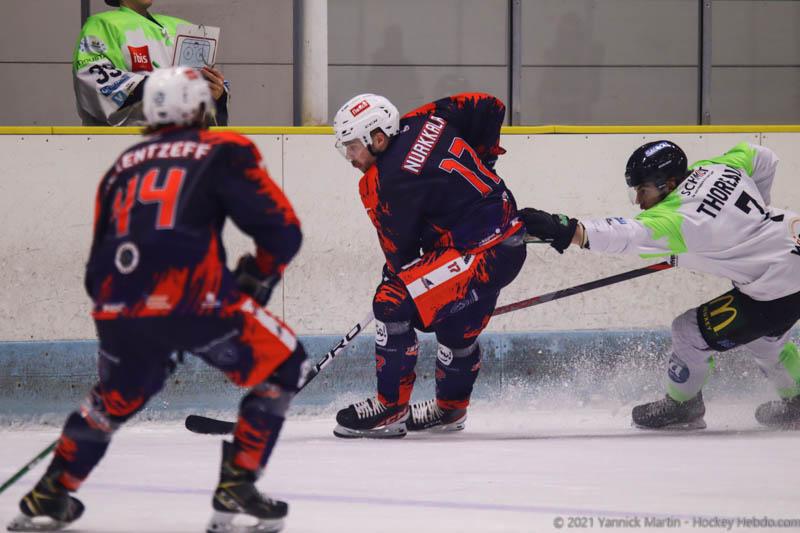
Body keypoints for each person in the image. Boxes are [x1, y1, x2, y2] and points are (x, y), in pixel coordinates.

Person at [7, 67, 303, 533]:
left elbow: (97, 263)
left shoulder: (122, 166)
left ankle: (52, 491)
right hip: (195, 300)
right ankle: (238, 482)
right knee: (285, 365)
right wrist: (257, 278)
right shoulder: (222, 149)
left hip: (118, 306)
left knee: (112, 400)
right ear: (200, 106)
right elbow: (282, 231)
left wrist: (141, 323)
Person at [520, 140, 800, 430]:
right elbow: (763, 156)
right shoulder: (714, 168)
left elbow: (626, 235)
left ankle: (684, 406)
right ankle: (798, 402)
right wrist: (754, 222)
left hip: (778, 285)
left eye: (643, 190)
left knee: (689, 332)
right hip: (791, 251)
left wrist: (569, 230)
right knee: (764, 338)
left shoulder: (680, 219)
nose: (639, 201)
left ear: (669, 184)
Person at [330, 92, 527, 439]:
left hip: (478, 252)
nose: (349, 157)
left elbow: (401, 256)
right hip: (508, 235)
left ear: (378, 138)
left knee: (390, 302)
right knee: (456, 327)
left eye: (353, 147)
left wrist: (396, 278)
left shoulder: (381, 181)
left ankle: (390, 408)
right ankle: (450, 410)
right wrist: (485, 161)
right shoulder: (426, 119)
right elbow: (489, 105)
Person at [73, 0, 229, 126]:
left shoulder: (180, 26)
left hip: (179, 143)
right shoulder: (102, 24)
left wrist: (216, 94)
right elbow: (93, 77)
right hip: (125, 144)